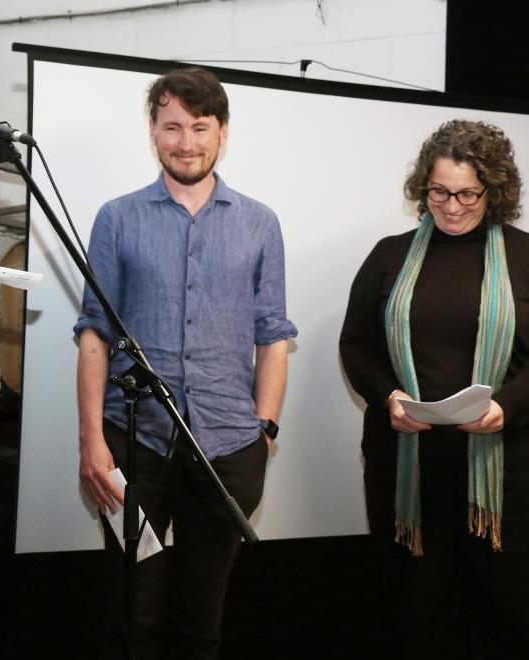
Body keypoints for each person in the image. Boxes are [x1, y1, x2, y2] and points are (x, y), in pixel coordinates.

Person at [74, 67, 297, 660]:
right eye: (172, 127)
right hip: (134, 446)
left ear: (222, 131)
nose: (186, 142)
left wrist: (264, 430)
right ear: (152, 130)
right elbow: (94, 332)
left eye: (200, 127)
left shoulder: (260, 223)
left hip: (228, 447)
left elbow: (273, 334)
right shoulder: (117, 218)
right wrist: (92, 440)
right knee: (133, 614)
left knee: (202, 621)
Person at [339, 119, 529, 660]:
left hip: (506, 472)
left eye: (467, 194)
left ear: (493, 191)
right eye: (439, 191)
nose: (451, 205)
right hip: (407, 470)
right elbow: (355, 345)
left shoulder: (525, 257)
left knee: (505, 614)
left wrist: (506, 406)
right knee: (414, 616)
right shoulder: (389, 255)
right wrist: (389, 398)